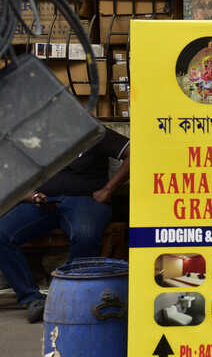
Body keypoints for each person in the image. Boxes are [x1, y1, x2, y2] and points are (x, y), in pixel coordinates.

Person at [0, 126, 129, 322]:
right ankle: (32, 299)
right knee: (2, 233)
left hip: (86, 200)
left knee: (85, 234)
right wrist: (31, 195)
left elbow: (136, 154)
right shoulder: (35, 135)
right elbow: (12, 171)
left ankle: (70, 297)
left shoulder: (95, 131)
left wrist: (108, 190)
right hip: (43, 201)